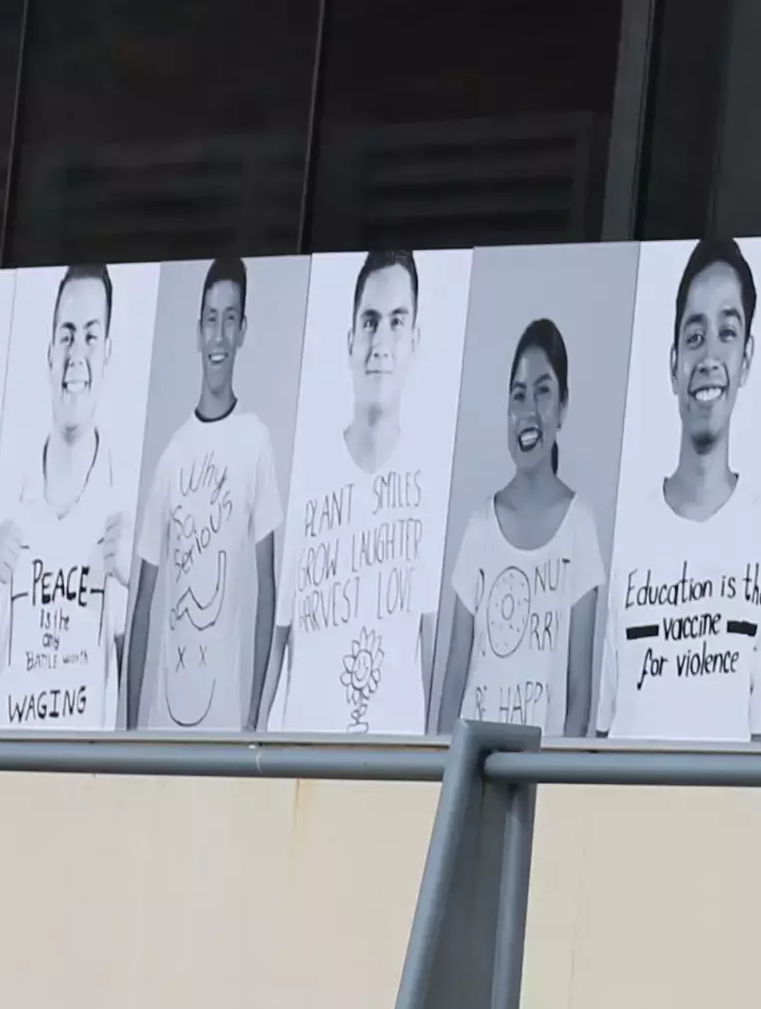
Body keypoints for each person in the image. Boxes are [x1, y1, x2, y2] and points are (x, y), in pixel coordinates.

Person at [609, 240, 761, 741]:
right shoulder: (624, 536)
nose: (708, 356)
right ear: (673, 363)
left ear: (746, 359)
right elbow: (596, 737)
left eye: (727, 333)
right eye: (694, 334)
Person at [276, 251, 442, 737]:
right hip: (305, 759)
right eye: (370, 322)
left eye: (396, 322)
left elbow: (430, 649)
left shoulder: (429, 484)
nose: (381, 342)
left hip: (393, 770)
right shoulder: (308, 475)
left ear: (414, 342)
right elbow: (280, 632)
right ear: (350, 340)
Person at [0, 266, 134, 730]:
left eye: (89, 337)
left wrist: (141, 581)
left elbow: (142, 693)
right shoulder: (2, 494)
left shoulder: (126, 501)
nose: (75, 355)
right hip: (1, 771)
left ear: (107, 355)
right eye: (66, 336)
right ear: (48, 354)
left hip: (80, 781)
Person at [132, 257, 283, 735]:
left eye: (230, 319)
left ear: (242, 331)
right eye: (211, 319)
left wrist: (255, 718)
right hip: (162, 725)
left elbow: (268, 590)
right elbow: (143, 602)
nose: (219, 335)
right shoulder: (172, 455)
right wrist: (131, 734)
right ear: (199, 330)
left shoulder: (255, 441)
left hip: (225, 725)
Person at [442, 315, 607, 737]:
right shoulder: (480, 527)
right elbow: (454, 680)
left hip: (538, 779)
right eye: (518, 396)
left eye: (543, 392)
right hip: (474, 772)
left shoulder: (579, 528)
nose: (529, 410)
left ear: (563, 407)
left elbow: (579, 699)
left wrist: (553, 788)